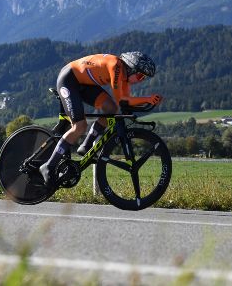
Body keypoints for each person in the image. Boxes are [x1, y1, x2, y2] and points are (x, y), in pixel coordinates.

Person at [39, 51, 163, 185]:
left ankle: (86, 146)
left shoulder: (124, 76)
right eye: (140, 76)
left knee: (111, 109)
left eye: (143, 78)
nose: (140, 80)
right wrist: (147, 99)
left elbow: (126, 102)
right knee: (79, 126)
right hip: (69, 80)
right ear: (131, 68)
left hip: (84, 84)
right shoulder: (116, 66)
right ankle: (49, 166)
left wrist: (148, 101)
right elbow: (122, 100)